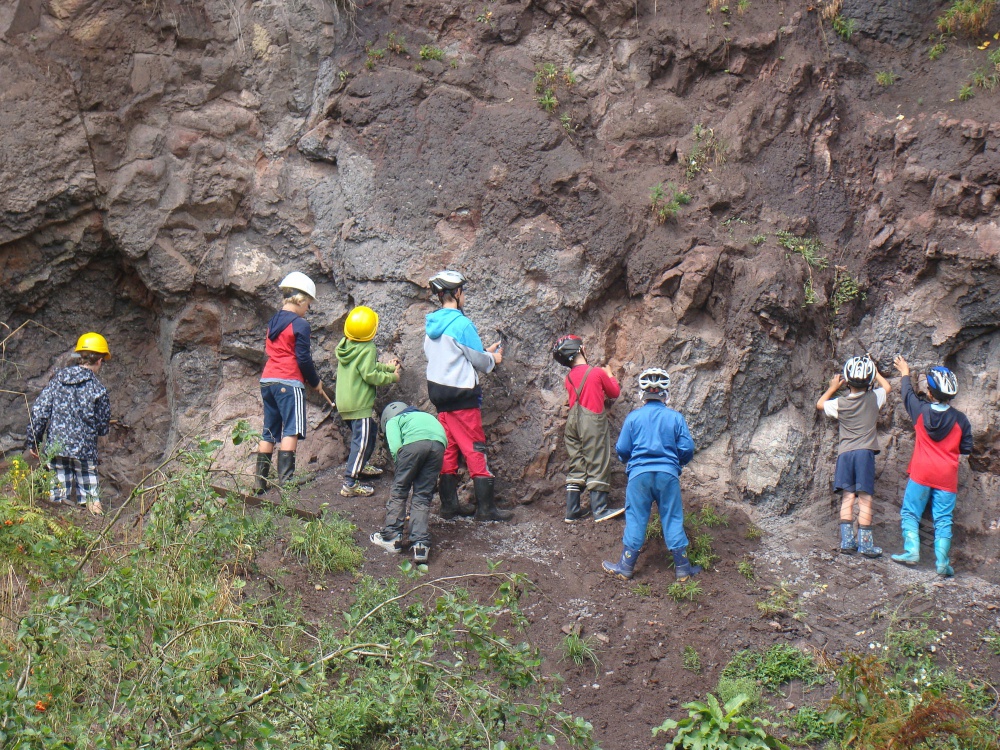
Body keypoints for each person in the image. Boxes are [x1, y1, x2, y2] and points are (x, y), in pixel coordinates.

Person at [424, 270, 510, 522]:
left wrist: (483, 352)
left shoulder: (431, 326)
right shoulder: (462, 324)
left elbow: (451, 355)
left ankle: (449, 506)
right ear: (457, 293)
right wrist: (493, 358)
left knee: (448, 449)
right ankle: (486, 509)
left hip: (440, 397)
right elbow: (481, 362)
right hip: (462, 398)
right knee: (474, 447)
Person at [603, 368, 699, 581]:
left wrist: (630, 462)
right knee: (672, 517)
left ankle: (626, 566)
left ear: (642, 394)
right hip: (667, 476)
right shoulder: (676, 417)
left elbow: (622, 449)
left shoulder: (633, 418)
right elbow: (687, 449)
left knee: (636, 518)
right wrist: (676, 464)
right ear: (666, 394)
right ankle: (683, 569)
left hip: (639, 476)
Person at [890, 358, 973, 576]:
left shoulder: (920, 410)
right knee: (944, 520)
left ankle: (911, 552)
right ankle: (942, 563)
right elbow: (966, 448)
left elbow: (907, 394)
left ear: (929, 393)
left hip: (921, 472)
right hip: (947, 477)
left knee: (910, 512)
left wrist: (905, 372)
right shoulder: (961, 420)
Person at [25, 332, 112, 516]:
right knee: (91, 497)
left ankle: (59, 531)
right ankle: (97, 530)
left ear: (80, 357)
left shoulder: (58, 380)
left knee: (56, 500)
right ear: (99, 361)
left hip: (57, 448)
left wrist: (33, 440)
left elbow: (39, 411)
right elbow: (102, 422)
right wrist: (102, 435)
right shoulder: (98, 388)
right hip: (85, 451)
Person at [255, 272, 325, 493]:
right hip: (288, 380)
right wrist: (315, 381)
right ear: (301, 300)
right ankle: (286, 481)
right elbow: (303, 358)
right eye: (309, 305)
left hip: (267, 380)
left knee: (269, 431)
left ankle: (259, 483)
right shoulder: (300, 324)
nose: (308, 309)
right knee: (291, 429)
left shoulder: (273, 321)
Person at [816, 355, 892, 557]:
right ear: (869, 380)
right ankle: (866, 545)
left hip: (845, 454)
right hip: (864, 454)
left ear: (848, 381)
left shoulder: (840, 403)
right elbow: (887, 387)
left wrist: (832, 387)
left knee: (848, 497)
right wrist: (876, 372)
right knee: (865, 498)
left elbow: (820, 404)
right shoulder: (874, 398)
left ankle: (847, 542)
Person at [551, 335, 624, 523]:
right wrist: (610, 375)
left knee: (577, 462)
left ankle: (572, 511)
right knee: (597, 460)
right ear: (581, 349)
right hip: (592, 420)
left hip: (572, 423)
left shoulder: (568, 377)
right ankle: (600, 510)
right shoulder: (596, 372)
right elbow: (614, 392)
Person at [370, 401, 448, 563]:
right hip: (439, 445)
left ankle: (392, 537)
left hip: (414, 443)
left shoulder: (394, 420)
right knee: (423, 495)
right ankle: (420, 544)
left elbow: (396, 447)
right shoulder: (425, 416)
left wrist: (403, 468)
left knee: (399, 489)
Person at [336, 305, 400, 497]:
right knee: (361, 442)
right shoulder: (368, 348)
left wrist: (387, 368)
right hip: (359, 404)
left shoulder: (346, 345)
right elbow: (370, 374)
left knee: (370, 432)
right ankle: (350, 483)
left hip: (344, 403)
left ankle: (360, 466)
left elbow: (366, 366)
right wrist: (392, 377)